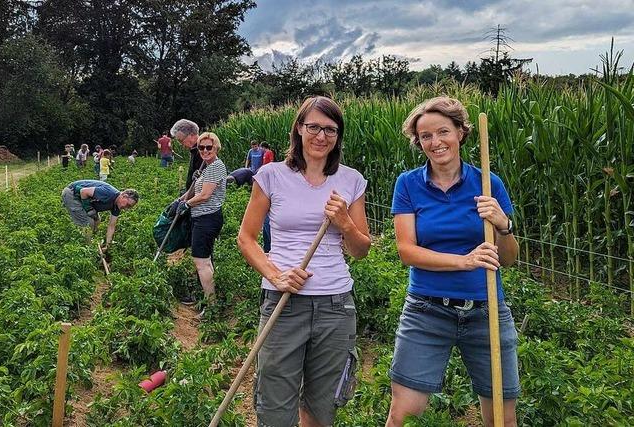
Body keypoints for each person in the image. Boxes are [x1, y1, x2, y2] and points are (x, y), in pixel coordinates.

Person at [385, 96, 520, 427]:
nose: (435, 142)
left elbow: (510, 259)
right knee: (402, 416)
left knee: (503, 418)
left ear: (461, 132)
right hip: (426, 311)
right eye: (425, 136)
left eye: (443, 131)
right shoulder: (408, 184)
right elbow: (407, 251)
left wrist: (503, 225)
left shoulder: (488, 184)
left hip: (486, 310)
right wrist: (464, 261)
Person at [237, 96, 371, 427]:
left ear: (338, 135)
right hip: (284, 302)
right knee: (275, 403)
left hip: (335, 306)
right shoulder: (271, 175)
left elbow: (361, 248)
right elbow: (247, 238)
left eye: (330, 129)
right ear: (299, 128)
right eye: (313, 127)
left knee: (323, 406)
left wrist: (345, 224)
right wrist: (276, 274)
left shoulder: (351, 180)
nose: (321, 136)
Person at [176, 132, 226, 301]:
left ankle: (210, 303)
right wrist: (179, 200)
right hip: (203, 218)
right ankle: (209, 299)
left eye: (208, 147)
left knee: (201, 261)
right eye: (201, 147)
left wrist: (186, 204)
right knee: (205, 260)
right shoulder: (206, 166)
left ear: (216, 147)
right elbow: (195, 191)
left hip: (207, 219)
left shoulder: (215, 167)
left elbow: (205, 195)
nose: (204, 150)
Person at [61, 180, 139, 250]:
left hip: (82, 198)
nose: (126, 208)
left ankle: (94, 241)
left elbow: (111, 226)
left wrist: (108, 246)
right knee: (88, 223)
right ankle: (88, 248)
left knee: (97, 222)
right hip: (72, 194)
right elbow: (83, 191)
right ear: (124, 196)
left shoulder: (117, 206)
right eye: (128, 205)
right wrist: (89, 209)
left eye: (129, 207)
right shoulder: (109, 193)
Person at [170, 119, 203, 191]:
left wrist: (187, 200)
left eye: (181, 141)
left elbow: (201, 184)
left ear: (191, 135)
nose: (181, 145)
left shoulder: (203, 152)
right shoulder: (194, 150)